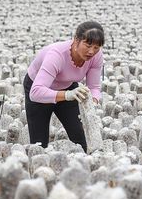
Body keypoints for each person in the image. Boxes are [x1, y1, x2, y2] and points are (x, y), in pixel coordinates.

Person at [24, 21, 104, 152]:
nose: (91, 51)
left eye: (96, 47)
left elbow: (94, 87)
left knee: (80, 139)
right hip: (39, 89)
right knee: (39, 145)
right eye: (88, 45)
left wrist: (92, 103)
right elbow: (36, 92)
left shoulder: (96, 56)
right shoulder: (56, 55)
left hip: (68, 86)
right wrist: (67, 95)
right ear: (76, 40)